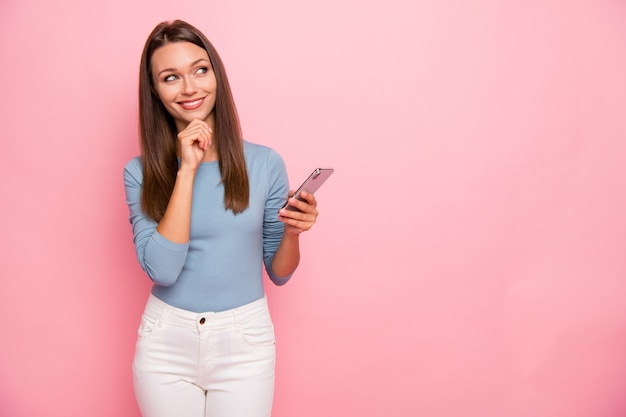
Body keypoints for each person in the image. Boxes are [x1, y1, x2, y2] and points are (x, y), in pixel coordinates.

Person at [123, 19, 319, 417]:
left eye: (200, 69)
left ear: (216, 73)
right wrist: (187, 170)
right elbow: (162, 269)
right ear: (155, 92)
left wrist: (293, 232)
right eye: (170, 77)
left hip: (244, 341)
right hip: (167, 344)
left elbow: (279, 272)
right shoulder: (139, 172)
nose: (190, 88)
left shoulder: (264, 163)